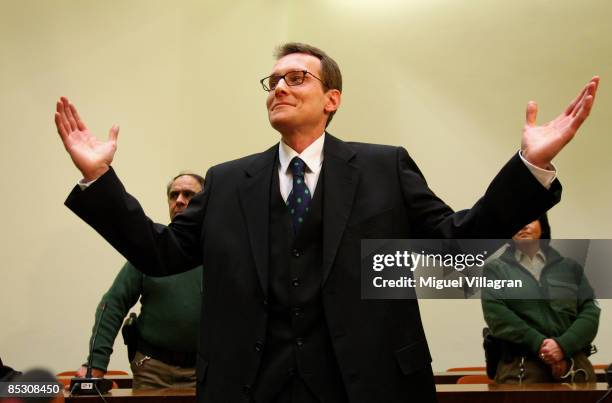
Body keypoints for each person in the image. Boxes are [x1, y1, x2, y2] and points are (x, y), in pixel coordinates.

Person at [54, 43, 599, 403]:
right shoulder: (227, 181)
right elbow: (162, 253)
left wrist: (531, 168)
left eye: (297, 77)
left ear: (331, 99)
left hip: (366, 384)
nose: (280, 88)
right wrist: (101, 181)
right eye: (273, 80)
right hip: (250, 387)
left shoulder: (384, 167)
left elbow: (456, 241)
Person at [76, 173, 205, 389]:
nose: (180, 200)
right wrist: (96, 363)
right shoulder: (153, 252)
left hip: (206, 372)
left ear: (204, 203)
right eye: (174, 195)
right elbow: (113, 305)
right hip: (152, 371)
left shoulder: (220, 253)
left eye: (189, 194)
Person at [481, 215, 600, 383]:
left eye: (530, 218)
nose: (523, 226)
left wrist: (562, 346)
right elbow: (497, 315)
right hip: (520, 368)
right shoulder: (496, 270)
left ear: (542, 226)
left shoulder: (569, 267)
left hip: (574, 365)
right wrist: (541, 346)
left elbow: (590, 311)